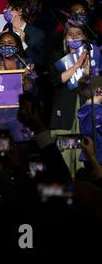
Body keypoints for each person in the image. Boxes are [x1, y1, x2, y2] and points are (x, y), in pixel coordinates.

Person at [49, 23, 92, 174]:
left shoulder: (93, 56)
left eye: (78, 34)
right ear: (65, 38)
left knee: (84, 158)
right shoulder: (58, 56)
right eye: (70, 34)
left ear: (85, 37)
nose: (73, 37)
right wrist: (76, 65)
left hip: (84, 111)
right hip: (64, 114)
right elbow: (56, 80)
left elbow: (95, 86)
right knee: (65, 158)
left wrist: (88, 72)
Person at [0, 31, 37, 142]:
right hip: (0, 117)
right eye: (3, 44)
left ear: (18, 46)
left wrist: (25, 78)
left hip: (22, 116)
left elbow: (33, 92)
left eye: (10, 43)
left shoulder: (27, 63)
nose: (6, 46)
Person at [3, 0, 46, 66]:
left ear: (20, 11)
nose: (5, 10)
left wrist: (23, 43)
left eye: (9, 8)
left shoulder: (37, 34)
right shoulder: (7, 28)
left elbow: (40, 62)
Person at [77, 76, 102, 165]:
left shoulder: (83, 111)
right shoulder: (99, 112)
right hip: (99, 159)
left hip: (87, 157)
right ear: (100, 91)